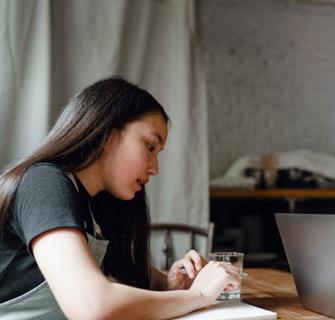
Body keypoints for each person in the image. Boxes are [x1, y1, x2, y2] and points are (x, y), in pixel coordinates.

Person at [0, 78, 241, 319]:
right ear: (107, 135)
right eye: (149, 146)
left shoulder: (95, 204)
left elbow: (119, 274)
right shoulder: (42, 182)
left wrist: (168, 284)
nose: (154, 168)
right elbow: (92, 306)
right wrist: (198, 295)